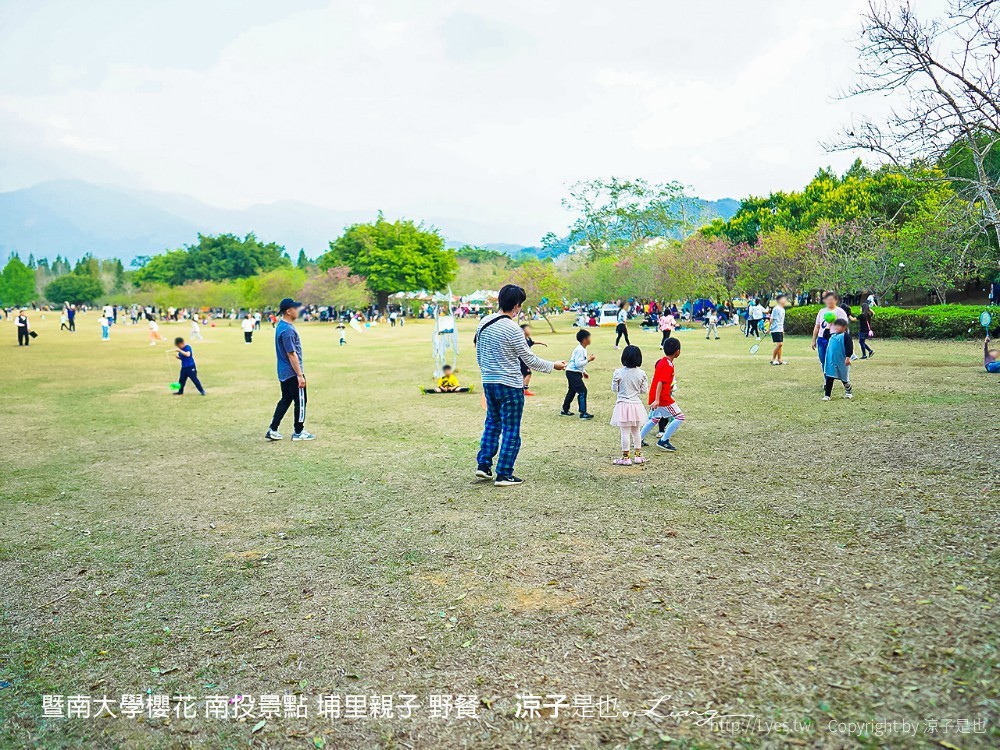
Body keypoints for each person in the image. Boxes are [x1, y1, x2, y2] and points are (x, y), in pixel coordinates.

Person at [473, 284, 566, 486]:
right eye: (520, 306)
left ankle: (483, 464)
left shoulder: (484, 322)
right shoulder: (512, 329)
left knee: (492, 423)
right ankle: (504, 473)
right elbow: (529, 359)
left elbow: (479, 353)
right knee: (511, 429)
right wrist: (554, 366)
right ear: (516, 306)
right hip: (510, 385)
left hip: (489, 381)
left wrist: (487, 374)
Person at [265, 298, 314, 441]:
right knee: (301, 401)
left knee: (286, 399)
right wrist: (300, 375)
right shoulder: (287, 330)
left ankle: (273, 429)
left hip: (284, 372)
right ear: (289, 311)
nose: (298, 310)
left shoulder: (281, 326)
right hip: (292, 372)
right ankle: (299, 432)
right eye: (295, 308)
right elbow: (291, 354)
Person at [639, 338, 684, 452]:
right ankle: (664, 441)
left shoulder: (662, 361)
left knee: (655, 418)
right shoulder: (668, 365)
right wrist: (658, 399)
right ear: (677, 352)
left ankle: (638, 439)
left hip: (656, 396)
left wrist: (655, 398)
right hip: (663, 397)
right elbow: (661, 382)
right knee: (679, 417)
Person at [610, 345, 649, 466]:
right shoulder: (641, 373)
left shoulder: (618, 372)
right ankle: (638, 455)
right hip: (636, 405)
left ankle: (626, 457)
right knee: (636, 431)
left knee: (625, 432)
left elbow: (614, 389)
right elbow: (644, 390)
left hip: (623, 405)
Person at [561, 329, 595, 419]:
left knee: (572, 391)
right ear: (584, 340)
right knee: (583, 391)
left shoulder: (581, 349)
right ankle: (583, 413)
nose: (590, 339)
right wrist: (588, 360)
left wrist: (583, 372)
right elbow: (578, 363)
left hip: (572, 372)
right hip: (573, 373)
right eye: (589, 338)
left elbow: (577, 363)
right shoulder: (580, 350)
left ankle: (565, 410)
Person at [811, 291, 849, 371]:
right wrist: (814, 340)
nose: (829, 301)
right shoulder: (822, 311)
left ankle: (842, 378)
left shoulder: (840, 312)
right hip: (821, 339)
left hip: (834, 338)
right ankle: (827, 380)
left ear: (835, 300)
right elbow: (817, 326)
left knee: (834, 361)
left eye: (831, 299)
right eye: (827, 299)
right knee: (823, 361)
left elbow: (844, 326)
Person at [823, 318, 854, 400]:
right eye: (835, 325)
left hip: (841, 361)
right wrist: (828, 325)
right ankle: (827, 395)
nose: (836, 327)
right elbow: (825, 335)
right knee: (829, 377)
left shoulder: (845, 336)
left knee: (844, 378)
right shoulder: (833, 335)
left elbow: (849, 347)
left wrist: (848, 358)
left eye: (839, 326)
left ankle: (848, 391)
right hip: (831, 361)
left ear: (844, 327)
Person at [519, 323, 546, 396]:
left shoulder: (528, 338)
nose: (529, 330)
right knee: (528, 374)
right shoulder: (522, 339)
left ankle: (521, 389)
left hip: (524, 360)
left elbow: (532, 342)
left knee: (524, 374)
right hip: (523, 360)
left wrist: (540, 343)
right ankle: (525, 390)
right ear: (523, 331)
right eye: (527, 329)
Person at [769, 294, 787, 365]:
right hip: (775, 329)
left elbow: (781, 321)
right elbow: (771, 319)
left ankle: (780, 359)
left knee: (780, 345)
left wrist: (782, 330)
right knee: (780, 344)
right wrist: (769, 329)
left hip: (780, 328)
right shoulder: (776, 308)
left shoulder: (783, 309)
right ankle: (773, 359)